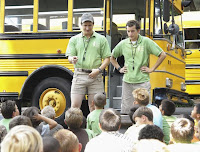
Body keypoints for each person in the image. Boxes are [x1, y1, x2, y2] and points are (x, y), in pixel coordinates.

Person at [110, 20, 166, 114]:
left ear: (138, 30)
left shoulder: (146, 41)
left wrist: (152, 69)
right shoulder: (123, 43)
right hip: (127, 82)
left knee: (145, 110)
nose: (130, 34)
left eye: (132, 31)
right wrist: (119, 68)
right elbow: (111, 57)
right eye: (128, 31)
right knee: (126, 111)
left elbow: (162, 54)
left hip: (142, 81)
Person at [66, 13, 111, 112]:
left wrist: (99, 70)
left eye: (89, 25)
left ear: (93, 25)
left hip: (95, 75)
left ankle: (94, 127)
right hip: (79, 74)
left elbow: (107, 58)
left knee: (95, 107)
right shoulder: (74, 39)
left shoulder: (101, 39)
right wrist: (71, 59)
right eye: (85, 25)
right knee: (74, 106)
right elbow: (69, 56)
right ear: (81, 25)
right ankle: (74, 127)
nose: (87, 28)